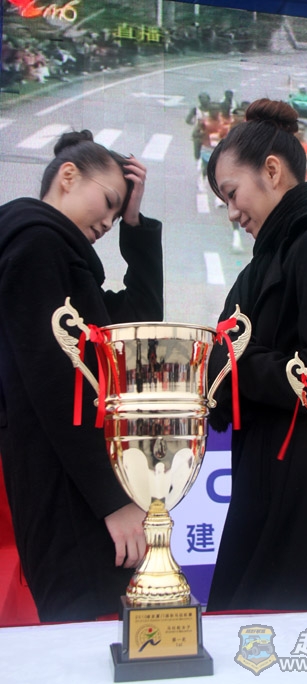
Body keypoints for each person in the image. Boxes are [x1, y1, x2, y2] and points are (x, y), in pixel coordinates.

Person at [204, 99, 307, 612]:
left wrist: (237, 363)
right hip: (258, 477)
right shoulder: (261, 263)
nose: (233, 213)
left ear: (272, 171)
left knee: (281, 629)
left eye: (232, 193)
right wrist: (231, 363)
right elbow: (219, 362)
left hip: (304, 487)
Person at [0, 130, 163, 622]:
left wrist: (134, 222)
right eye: (110, 203)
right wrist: (113, 501)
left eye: (117, 214)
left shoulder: (57, 256)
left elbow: (138, 320)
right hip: (67, 487)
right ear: (68, 176)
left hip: (66, 481)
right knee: (91, 625)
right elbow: (57, 384)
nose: (108, 222)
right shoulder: (36, 245)